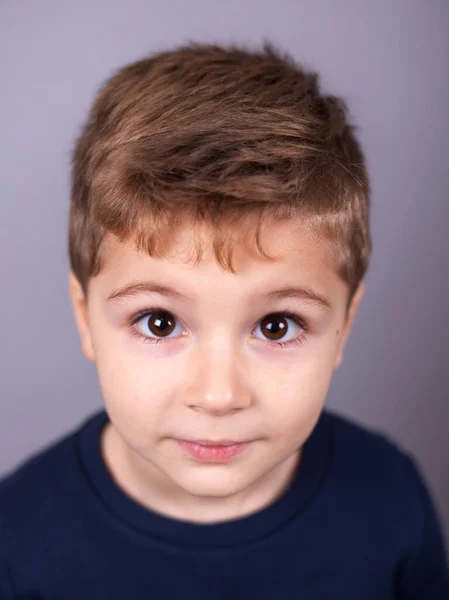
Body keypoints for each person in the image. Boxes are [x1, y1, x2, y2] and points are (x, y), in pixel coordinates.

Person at [0, 41, 448, 599]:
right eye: (160, 322)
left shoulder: (391, 498)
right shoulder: (16, 544)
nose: (218, 396)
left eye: (277, 325)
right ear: (84, 317)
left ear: (344, 328)